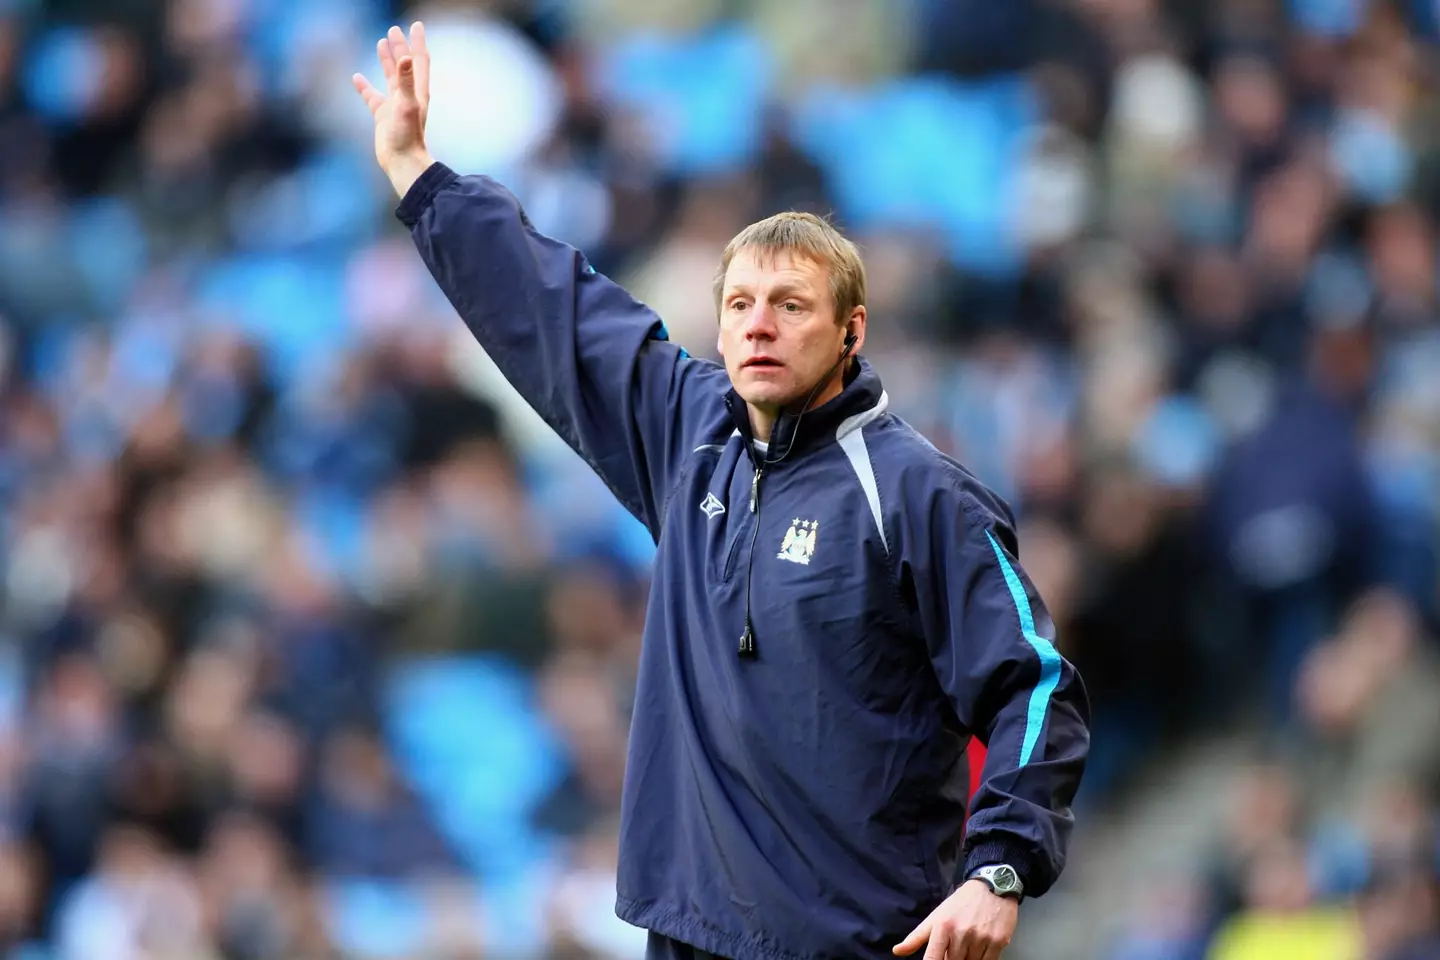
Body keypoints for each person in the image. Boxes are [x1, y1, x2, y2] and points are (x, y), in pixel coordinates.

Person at [353, 23, 1091, 960]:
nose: (758, 327)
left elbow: (1034, 686)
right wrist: (422, 177)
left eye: (791, 306)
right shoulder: (687, 432)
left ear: (851, 330)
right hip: (689, 933)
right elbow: (558, 309)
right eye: (740, 304)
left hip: (854, 943)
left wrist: (1000, 867)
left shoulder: (916, 491)